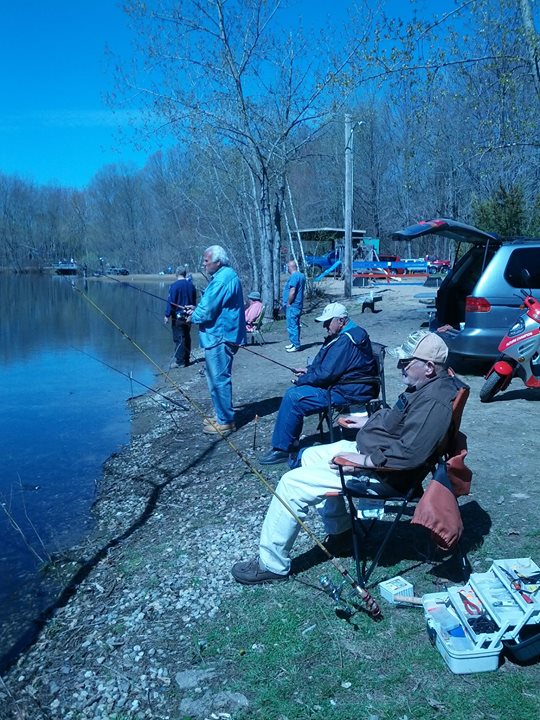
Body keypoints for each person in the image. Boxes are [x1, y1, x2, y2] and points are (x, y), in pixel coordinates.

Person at [231, 333, 462, 584]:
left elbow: (409, 455)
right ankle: (341, 533)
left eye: (406, 362)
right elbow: (400, 421)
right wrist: (368, 421)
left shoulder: (434, 402)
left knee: (290, 483)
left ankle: (272, 565)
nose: (399, 367)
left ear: (429, 367)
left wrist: (360, 461)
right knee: (309, 455)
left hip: (385, 474)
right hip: (377, 455)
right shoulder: (427, 386)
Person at [259, 302, 377, 465]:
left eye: (328, 322)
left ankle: (283, 449)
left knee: (294, 396)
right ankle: (284, 445)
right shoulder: (345, 335)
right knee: (295, 394)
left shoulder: (346, 340)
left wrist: (302, 380)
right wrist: (308, 371)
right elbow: (328, 367)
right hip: (342, 385)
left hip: (347, 391)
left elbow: (326, 374)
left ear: (341, 321)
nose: (324, 326)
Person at [184, 246, 246, 435]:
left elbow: (208, 310)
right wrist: (195, 310)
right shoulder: (224, 276)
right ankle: (221, 416)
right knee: (215, 378)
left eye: (206, 261)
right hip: (220, 334)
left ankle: (226, 422)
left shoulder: (222, 279)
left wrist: (193, 316)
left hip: (220, 336)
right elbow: (211, 306)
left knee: (219, 380)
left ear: (217, 262)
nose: (203, 264)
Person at [164, 266, 197, 368]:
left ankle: (180, 361)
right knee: (187, 336)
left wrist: (166, 315)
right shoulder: (191, 286)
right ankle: (186, 359)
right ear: (185, 273)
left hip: (178, 317)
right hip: (189, 316)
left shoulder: (174, 286)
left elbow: (171, 302)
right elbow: (194, 301)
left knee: (179, 338)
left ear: (176, 274)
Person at [282, 260, 306, 352]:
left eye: (287, 267)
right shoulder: (301, 275)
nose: (287, 269)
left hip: (293, 305)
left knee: (292, 325)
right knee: (295, 324)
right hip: (298, 305)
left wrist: (288, 302)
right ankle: (294, 343)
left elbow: (292, 291)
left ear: (290, 267)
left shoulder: (294, 276)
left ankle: (296, 345)